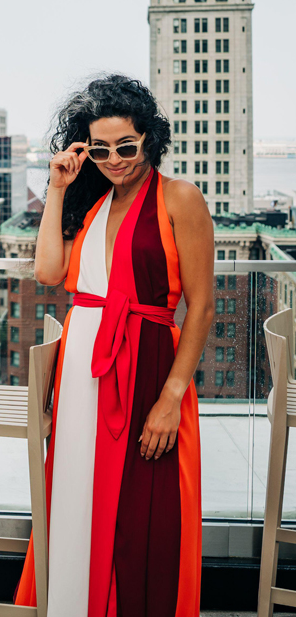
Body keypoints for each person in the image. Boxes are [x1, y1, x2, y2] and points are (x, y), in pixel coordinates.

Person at [15, 75, 214, 617]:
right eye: (99, 150)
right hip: (82, 374)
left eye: (126, 146)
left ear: (149, 138)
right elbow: (49, 272)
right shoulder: (91, 201)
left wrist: (171, 397)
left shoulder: (180, 198)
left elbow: (202, 306)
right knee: (77, 501)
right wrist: (57, 187)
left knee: (145, 517)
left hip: (148, 370)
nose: (115, 160)